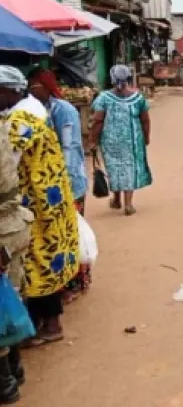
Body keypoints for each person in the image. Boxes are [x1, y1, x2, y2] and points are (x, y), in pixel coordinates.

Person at [0, 66, 79, 349]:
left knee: (37, 262)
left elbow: (7, 161)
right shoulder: (31, 110)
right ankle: (43, 323)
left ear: (9, 91)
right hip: (49, 196)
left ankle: (50, 325)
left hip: (37, 202)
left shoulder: (19, 119)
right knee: (43, 258)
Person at [27, 68, 91, 303]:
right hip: (52, 182)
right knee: (58, 234)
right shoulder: (41, 110)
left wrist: (62, 181)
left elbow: (69, 147)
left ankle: (76, 282)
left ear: (45, 86)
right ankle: (63, 282)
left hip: (68, 181)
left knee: (72, 232)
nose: (32, 92)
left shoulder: (63, 110)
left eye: (35, 87)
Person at [89, 65, 153, 216]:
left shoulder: (104, 98)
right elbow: (145, 120)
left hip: (110, 142)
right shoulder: (137, 98)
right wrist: (146, 137)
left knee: (115, 168)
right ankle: (128, 205)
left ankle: (117, 199)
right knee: (129, 168)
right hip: (133, 140)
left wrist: (93, 140)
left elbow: (97, 120)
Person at [0, 123, 33, 402]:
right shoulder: (3, 127)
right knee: (11, 298)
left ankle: (6, 383)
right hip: (13, 226)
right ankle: (15, 370)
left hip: (3, 231)